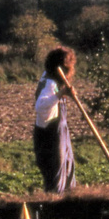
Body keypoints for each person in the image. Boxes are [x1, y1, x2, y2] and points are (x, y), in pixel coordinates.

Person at [33, 47, 78, 193]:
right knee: (56, 173)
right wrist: (61, 94)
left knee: (68, 167)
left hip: (60, 131)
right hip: (50, 135)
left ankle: (69, 200)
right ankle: (55, 206)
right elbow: (40, 106)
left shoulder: (52, 78)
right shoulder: (49, 83)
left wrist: (65, 92)